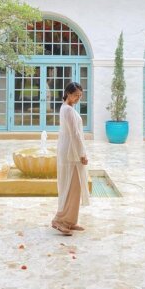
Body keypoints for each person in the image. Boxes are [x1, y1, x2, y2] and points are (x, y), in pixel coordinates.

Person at [51, 81, 90, 235]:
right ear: (67, 93)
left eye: (80, 96)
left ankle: (70, 221)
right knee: (70, 185)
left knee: (75, 186)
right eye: (75, 95)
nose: (78, 98)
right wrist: (82, 154)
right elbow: (75, 134)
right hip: (70, 152)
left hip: (69, 149)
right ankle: (59, 220)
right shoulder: (67, 110)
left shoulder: (68, 108)